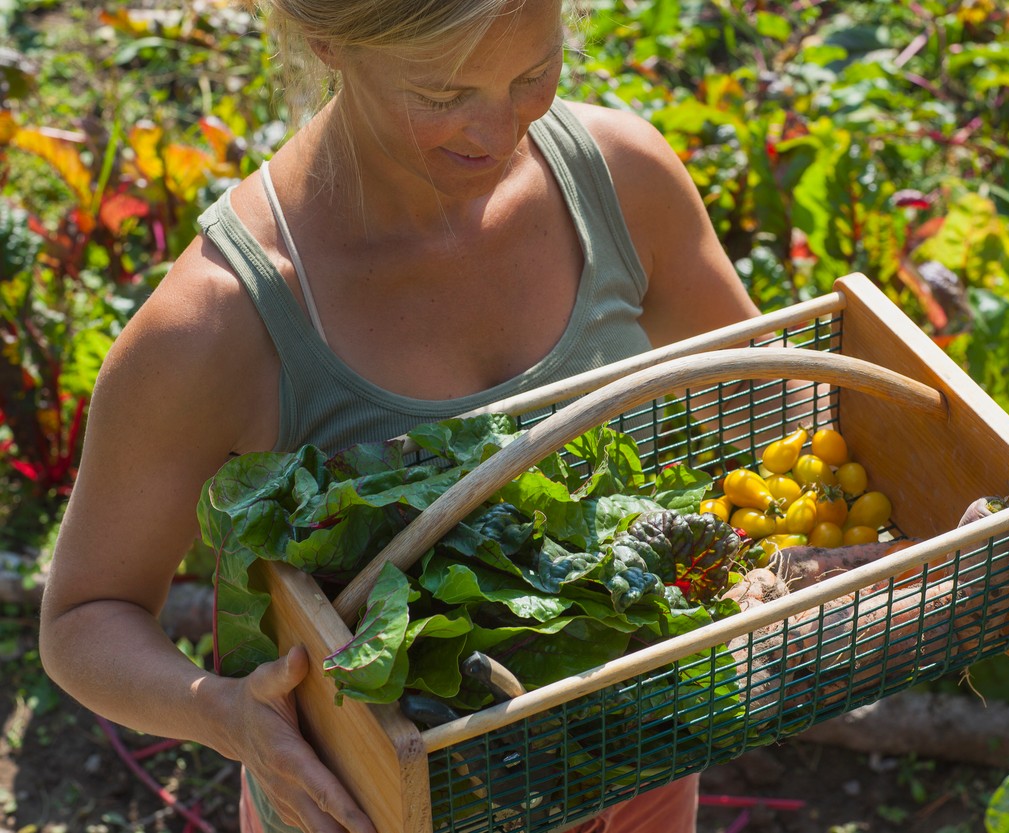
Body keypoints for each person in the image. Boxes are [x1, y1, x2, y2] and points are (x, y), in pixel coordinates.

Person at [39, 0, 762, 830]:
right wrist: (229, 714)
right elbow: (84, 618)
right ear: (327, 41)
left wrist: (927, 488)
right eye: (443, 92)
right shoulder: (221, 323)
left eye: (533, 74)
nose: (499, 131)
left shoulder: (620, 182)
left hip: (637, 766)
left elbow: (772, 411)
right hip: (373, 808)